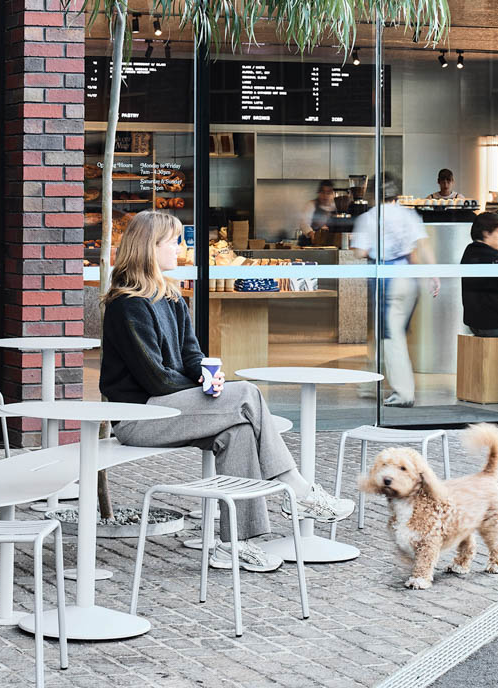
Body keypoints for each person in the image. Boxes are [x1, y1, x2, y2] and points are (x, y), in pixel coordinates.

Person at [101, 210, 355, 573]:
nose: (180, 249)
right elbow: (155, 379)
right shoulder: (127, 304)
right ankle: (297, 491)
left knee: (238, 433)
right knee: (247, 394)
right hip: (140, 417)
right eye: (173, 242)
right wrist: (205, 388)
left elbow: (191, 354)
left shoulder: (171, 297)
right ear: (149, 247)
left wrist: (208, 377)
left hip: (172, 407)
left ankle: (234, 545)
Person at [350, 173, 438, 408]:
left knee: (391, 336)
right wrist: (433, 274)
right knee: (385, 331)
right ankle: (370, 384)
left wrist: (370, 249)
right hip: (408, 280)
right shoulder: (409, 215)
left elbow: (359, 251)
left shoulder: (369, 218)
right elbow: (423, 246)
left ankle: (404, 393)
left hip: (387, 280)